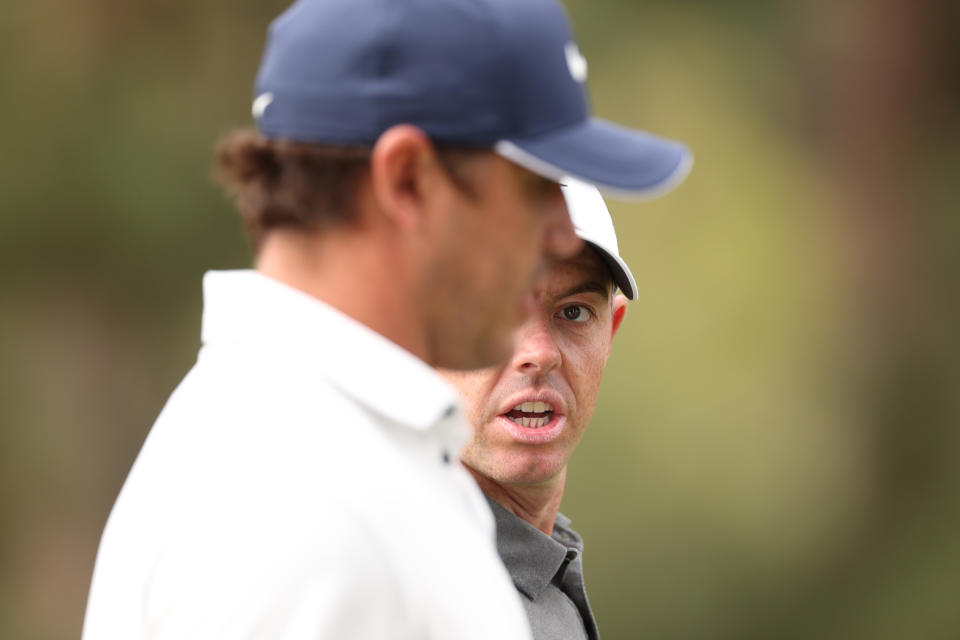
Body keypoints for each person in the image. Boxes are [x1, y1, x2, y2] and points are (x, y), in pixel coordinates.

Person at [82, 0, 691, 637]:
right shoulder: (288, 504)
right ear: (407, 181)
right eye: (531, 189)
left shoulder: (342, 452)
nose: (560, 232)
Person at [441, 181, 661, 640]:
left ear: (610, 332)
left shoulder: (541, 574)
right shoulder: (396, 583)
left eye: (574, 312)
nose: (539, 353)